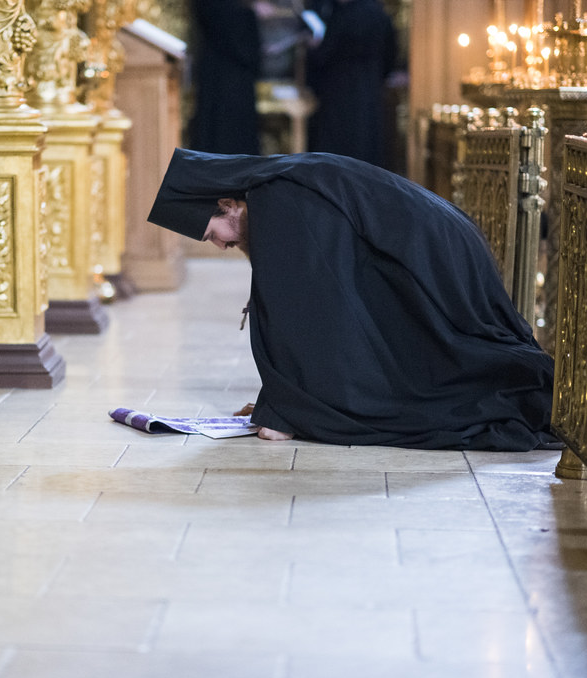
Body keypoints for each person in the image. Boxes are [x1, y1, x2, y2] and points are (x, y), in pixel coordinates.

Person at [147, 148, 556, 450]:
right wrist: (281, 401)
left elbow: (308, 312)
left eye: (213, 234)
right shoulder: (278, 186)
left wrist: (285, 412)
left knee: (447, 367)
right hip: (436, 243)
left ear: (227, 204)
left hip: (432, 253)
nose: (221, 245)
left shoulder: (277, 201)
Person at [304, 0, 400, 167]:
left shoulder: (342, 14)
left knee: (338, 152)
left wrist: (313, 48)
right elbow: (390, 55)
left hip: (338, 93)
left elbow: (324, 55)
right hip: (370, 92)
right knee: (368, 148)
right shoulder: (379, 14)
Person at [188, 1, 276, 155]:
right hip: (225, 72)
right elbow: (223, 18)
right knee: (225, 135)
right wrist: (251, 12)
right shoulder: (231, 11)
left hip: (229, 69)